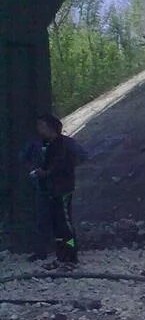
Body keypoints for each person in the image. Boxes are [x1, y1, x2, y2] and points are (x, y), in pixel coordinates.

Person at [28, 114, 79, 268]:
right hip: (53, 190)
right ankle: (62, 256)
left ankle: (70, 255)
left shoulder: (62, 145)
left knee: (65, 225)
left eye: (42, 126)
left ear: (51, 128)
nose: (39, 130)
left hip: (62, 189)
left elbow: (60, 167)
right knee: (57, 225)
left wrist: (44, 173)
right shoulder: (49, 145)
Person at [19, 137, 51, 261]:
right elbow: (22, 157)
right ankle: (41, 251)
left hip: (60, 188)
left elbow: (81, 156)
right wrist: (33, 169)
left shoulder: (63, 143)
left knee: (63, 223)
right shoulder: (34, 143)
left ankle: (68, 250)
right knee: (41, 221)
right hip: (42, 187)